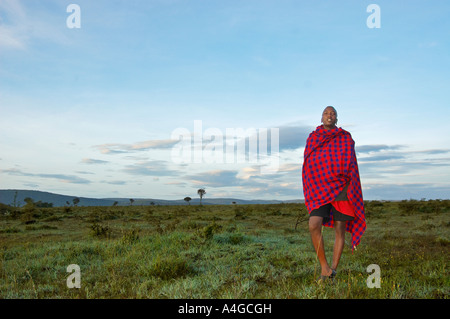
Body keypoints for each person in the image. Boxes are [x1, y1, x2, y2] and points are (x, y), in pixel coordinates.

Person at [302, 106, 366, 281]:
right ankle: (324, 268)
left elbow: (350, 162)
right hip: (320, 189)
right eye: (326, 113)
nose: (330, 116)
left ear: (336, 119)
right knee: (314, 224)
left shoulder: (345, 138)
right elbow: (309, 163)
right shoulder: (313, 137)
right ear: (321, 117)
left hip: (341, 189)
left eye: (333, 114)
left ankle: (333, 271)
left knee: (340, 229)